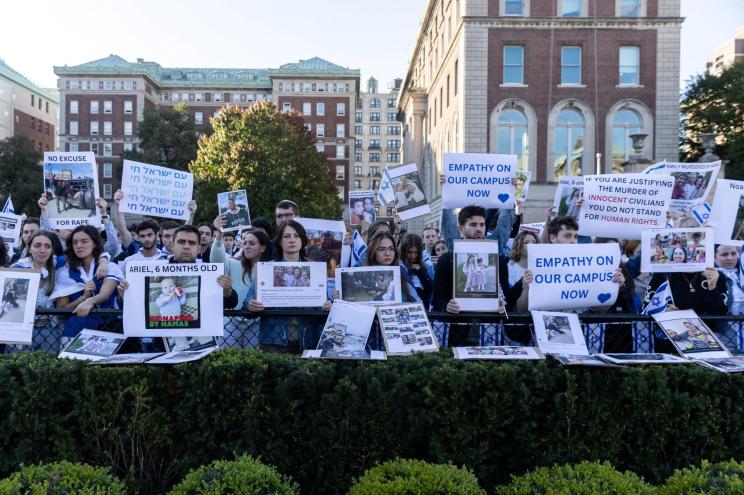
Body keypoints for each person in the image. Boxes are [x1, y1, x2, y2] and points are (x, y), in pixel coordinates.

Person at [246, 220, 330, 352]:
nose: (292, 240)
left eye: (296, 236)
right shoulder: (266, 269)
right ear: (279, 241)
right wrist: (250, 304)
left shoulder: (315, 269)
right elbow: (248, 301)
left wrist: (327, 306)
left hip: (308, 341)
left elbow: (325, 303)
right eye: (287, 236)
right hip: (274, 341)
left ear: (302, 240)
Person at [53, 225, 122, 343]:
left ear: (95, 243)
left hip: (107, 329)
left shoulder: (109, 266)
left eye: (84, 241)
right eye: (75, 242)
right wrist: (83, 298)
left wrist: (90, 301)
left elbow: (105, 294)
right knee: (69, 361)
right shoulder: (64, 272)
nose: (79, 246)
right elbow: (62, 311)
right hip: (74, 330)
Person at [9, 230, 66, 352]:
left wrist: (103, 259)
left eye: (47, 246)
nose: (43, 250)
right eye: (37, 245)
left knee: (49, 368)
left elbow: (80, 255)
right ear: (29, 249)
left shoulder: (57, 264)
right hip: (22, 332)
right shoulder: (17, 269)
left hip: (49, 331)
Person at [399, 234, 433, 306]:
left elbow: (430, 289)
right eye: (410, 252)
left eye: (416, 252)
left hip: (423, 307)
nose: (413, 256)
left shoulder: (424, 266)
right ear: (404, 251)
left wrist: (420, 271)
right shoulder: (399, 267)